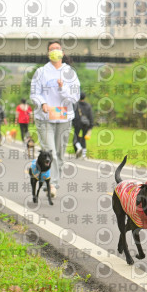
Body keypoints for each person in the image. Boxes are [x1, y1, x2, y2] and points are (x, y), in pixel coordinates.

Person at [30, 41, 80, 198]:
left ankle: (53, 181)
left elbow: (75, 97)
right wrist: (42, 103)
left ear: (63, 53)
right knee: (50, 151)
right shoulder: (41, 72)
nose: (55, 51)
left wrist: (62, 88)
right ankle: (51, 184)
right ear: (48, 54)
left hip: (64, 117)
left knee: (59, 153)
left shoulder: (70, 73)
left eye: (57, 49)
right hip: (44, 117)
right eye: (52, 49)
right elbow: (34, 93)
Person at [72, 91, 93, 159]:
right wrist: (91, 126)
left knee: (75, 138)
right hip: (86, 124)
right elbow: (90, 116)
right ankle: (84, 155)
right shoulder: (88, 105)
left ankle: (79, 148)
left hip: (78, 124)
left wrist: (73, 123)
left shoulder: (76, 105)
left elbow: (74, 115)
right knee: (83, 139)